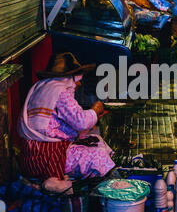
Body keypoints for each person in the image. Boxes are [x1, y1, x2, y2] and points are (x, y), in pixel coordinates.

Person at [18, 52, 115, 181]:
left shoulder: (40, 87)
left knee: (95, 139)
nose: (78, 84)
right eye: (77, 78)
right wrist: (94, 110)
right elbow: (81, 122)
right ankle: (110, 185)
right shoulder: (60, 91)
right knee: (97, 154)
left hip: (30, 157)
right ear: (68, 77)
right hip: (46, 158)